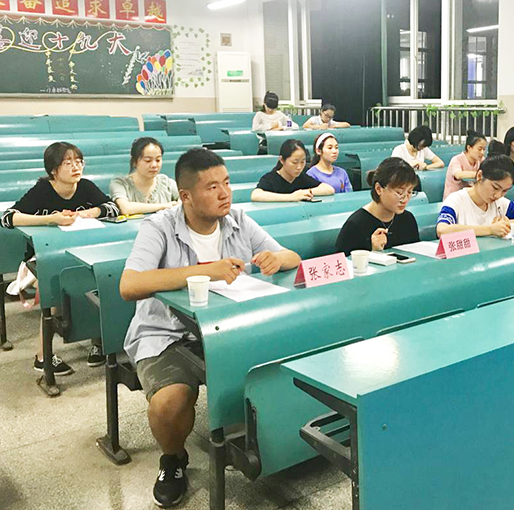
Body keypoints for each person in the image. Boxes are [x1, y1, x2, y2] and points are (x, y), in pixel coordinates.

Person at [120, 148, 300, 508]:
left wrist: (276, 259)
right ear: (185, 196)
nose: (224, 193)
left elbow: (291, 257)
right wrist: (205, 271)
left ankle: (273, 443)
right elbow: (130, 285)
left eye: (227, 183)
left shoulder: (238, 219)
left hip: (231, 328)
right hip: (168, 333)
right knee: (169, 403)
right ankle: (173, 459)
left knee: (288, 364)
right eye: (212, 187)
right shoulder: (159, 227)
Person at [1, 142, 119, 374]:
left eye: (79, 161)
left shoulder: (85, 186)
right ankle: (42, 356)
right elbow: (8, 218)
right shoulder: (43, 190)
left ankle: (98, 342)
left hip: (81, 251)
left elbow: (113, 208)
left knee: (103, 279)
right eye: (68, 163)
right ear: (54, 170)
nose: (76, 167)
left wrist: (91, 212)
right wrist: (50, 219)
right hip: (44, 255)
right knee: (54, 290)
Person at [336, 157, 421, 255]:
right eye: (399, 192)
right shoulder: (355, 226)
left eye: (410, 192)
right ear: (379, 189)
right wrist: (374, 252)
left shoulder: (407, 219)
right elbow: (343, 263)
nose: (405, 199)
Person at [111, 137, 179, 215]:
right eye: (148, 160)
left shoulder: (167, 183)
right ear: (135, 162)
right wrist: (164, 206)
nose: (154, 165)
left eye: (158, 160)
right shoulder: (120, 184)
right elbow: (126, 208)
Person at [251, 139, 335, 202]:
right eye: (294, 162)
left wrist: (305, 192)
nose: (299, 167)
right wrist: (292, 197)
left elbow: (329, 189)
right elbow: (255, 195)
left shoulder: (302, 177)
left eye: (302, 162)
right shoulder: (271, 178)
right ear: (282, 160)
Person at [443, 130, 487, 200]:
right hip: (454, 199)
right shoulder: (456, 159)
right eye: (479, 149)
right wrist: (479, 174)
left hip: (470, 198)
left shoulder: (481, 160)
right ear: (469, 148)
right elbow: (458, 175)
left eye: (484, 149)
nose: (482, 152)